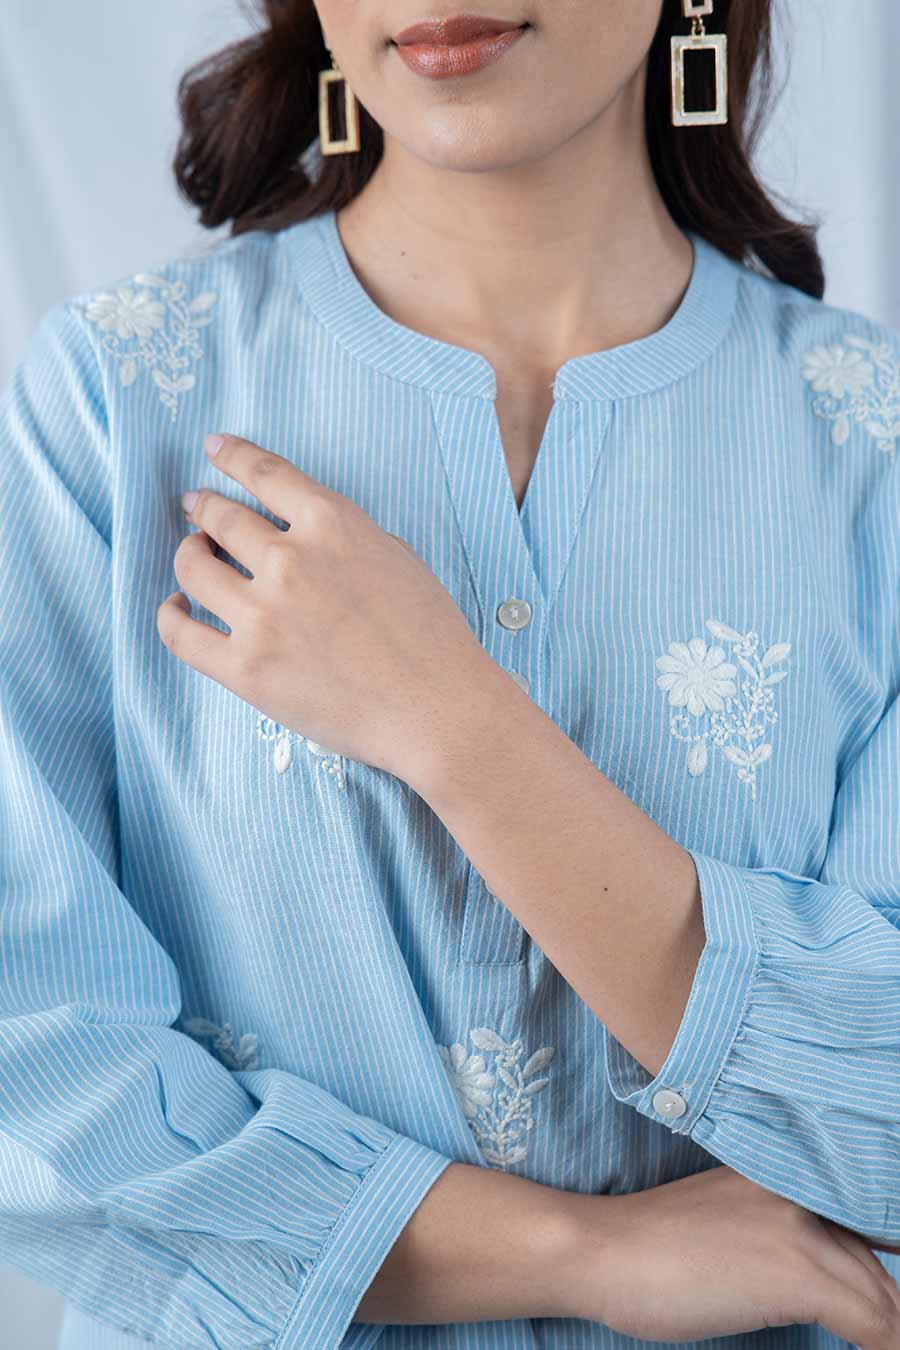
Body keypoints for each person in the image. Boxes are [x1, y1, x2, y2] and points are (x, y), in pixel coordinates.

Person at [2, 0, 899, 1346]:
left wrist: (458, 729)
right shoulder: (114, 405)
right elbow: (32, 1071)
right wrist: (581, 1251)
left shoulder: (869, 450)